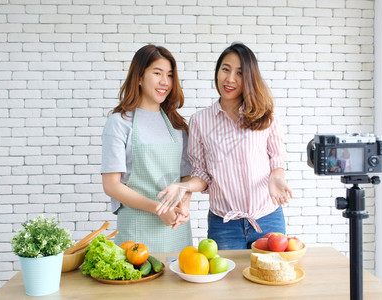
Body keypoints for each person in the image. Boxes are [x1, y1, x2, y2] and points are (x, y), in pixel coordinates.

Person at [156, 42, 293, 250]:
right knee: (227, 282)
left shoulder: (265, 115)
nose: (230, 79)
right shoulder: (200, 121)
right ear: (217, 71)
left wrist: (276, 176)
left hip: (267, 219)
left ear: (249, 78)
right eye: (225, 69)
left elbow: (277, 158)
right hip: (224, 225)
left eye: (239, 73)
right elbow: (201, 174)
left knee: (269, 278)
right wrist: (184, 186)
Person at [101, 44, 192, 252]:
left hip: (175, 229)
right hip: (136, 230)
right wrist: (158, 209)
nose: (165, 82)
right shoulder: (119, 123)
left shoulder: (177, 126)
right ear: (139, 77)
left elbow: (185, 178)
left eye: (169, 75)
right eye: (157, 73)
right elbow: (111, 186)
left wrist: (184, 207)